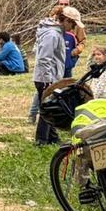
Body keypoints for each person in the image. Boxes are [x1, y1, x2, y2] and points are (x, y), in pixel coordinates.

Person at [33, 8, 71, 146]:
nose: (72, 28)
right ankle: (41, 140)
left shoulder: (57, 33)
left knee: (52, 107)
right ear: (66, 20)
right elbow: (44, 58)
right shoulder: (52, 35)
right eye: (72, 24)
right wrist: (48, 81)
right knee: (47, 109)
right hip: (45, 78)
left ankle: (53, 137)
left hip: (52, 77)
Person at [60, 6, 85, 78]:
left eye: (66, 3)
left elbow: (82, 41)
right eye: (73, 25)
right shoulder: (53, 33)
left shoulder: (75, 29)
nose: (73, 27)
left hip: (67, 65)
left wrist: (76, 51)